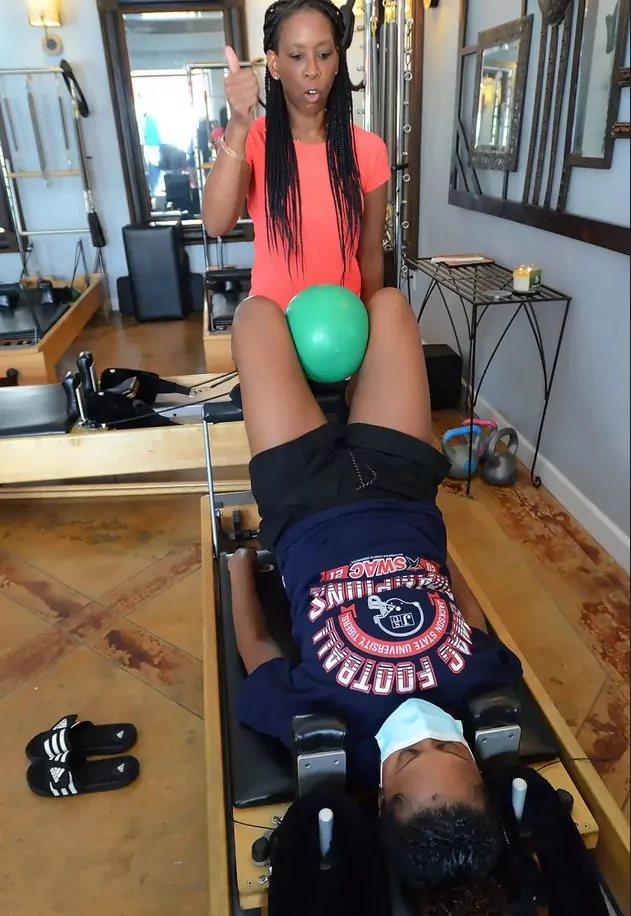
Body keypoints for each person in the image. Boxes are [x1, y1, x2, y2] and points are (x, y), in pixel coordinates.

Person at [226, 289, 524, 892]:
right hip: (404, 488)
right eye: (449, 747)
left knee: (254, 317)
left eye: (410, 755)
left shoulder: (324, 726)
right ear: (476, 765)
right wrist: (441, 559)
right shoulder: (485, 685)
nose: (423, 730)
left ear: (383, 795)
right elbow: (471, 620)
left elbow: (258, 648)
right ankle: (349, 393)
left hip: (301, 498)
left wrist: (237, 567)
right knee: (389, 305)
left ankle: (338, 400)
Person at [202, 0, 390, 309]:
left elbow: (370, 255)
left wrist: (372, 330)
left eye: (324, 55)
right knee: (252, 312)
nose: (312, 70)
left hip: (343, 323)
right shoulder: (255, 139)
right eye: (297, 56)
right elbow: (216, 223)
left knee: (391, 305)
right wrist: (238, 123)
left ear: (337, 61)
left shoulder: (369, 150)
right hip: (271, 321)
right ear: (274, 64)